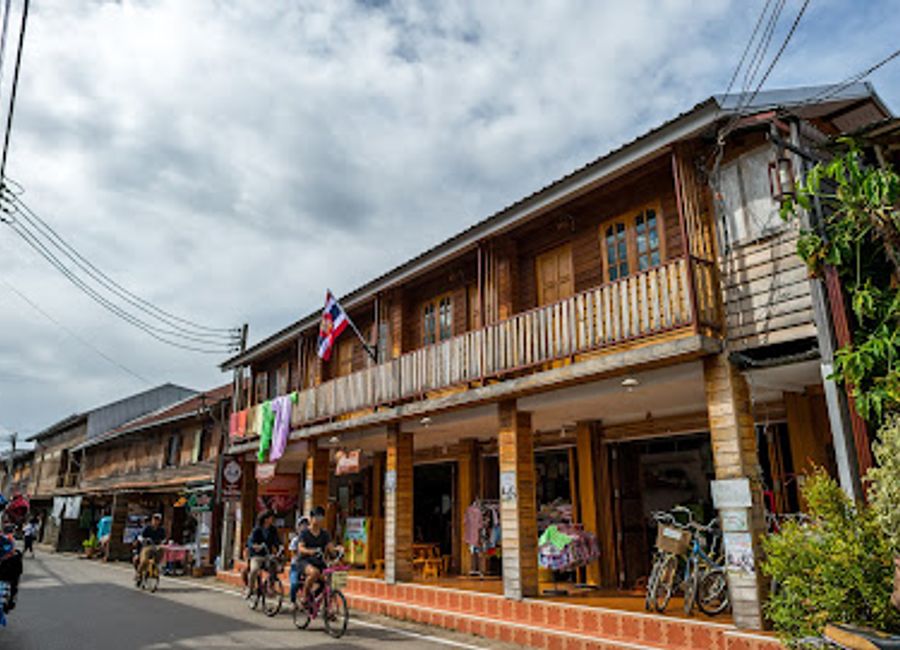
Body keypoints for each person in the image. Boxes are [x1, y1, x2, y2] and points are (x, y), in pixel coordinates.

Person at [296, 506, 342, 606]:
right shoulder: (304, 533)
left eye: (321, 517)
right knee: (314, 573)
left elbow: (330, 548)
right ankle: (304, 595)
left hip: (320, 561)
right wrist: (310, 551)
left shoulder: (325, 534)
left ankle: (325, 606)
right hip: (305, 561)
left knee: (329, 580)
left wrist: (337, 550)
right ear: (311, 518)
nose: (319, 520)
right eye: (317, 517)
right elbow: (301, 548)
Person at [246, 511, 282, 596]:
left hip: (267, 555)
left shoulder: (273, 529)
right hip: (256, 555)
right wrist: (255, 546)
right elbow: (250, 541)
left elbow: (277, 541)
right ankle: (250, 588)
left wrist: (280, 547)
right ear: (266, 519)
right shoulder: (257, 529)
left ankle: (270, 586)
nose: (272, 519)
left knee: (273, 567)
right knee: (254, 570)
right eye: (271, 518)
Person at [136, 514, 166, 583]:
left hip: (156, 546)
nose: (156, 522)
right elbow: (140, 536)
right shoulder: (147, 528)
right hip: (147, 546)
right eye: (154, 520)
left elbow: (164, 539)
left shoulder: (161, 530)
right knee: (144, 560)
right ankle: (138, 573)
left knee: (161, 551)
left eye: (157, 520)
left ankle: (157, 567)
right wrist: (144, 540)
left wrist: (163, 542)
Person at [288, 516, 310, 605]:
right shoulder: (295, 540)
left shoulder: (309, 539)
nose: (304, 527)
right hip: (296, 566)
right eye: (302, 525)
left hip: (308, 565)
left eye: (306, 525)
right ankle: (293, 601)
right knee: (294, 584)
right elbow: (293, 553)